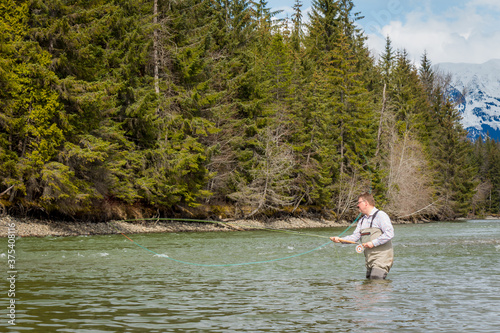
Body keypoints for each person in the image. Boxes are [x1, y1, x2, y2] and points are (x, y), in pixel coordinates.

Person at [330, 192, 394, 280]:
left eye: (359, 202)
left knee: (375, 280)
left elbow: (390, 233)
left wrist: (373, 243)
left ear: (366, 203)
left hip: (382, 258)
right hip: (369, 259)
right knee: (368, 285)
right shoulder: (362, 221)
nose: (357, 205)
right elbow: (354, 237)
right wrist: (340, 239)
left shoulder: (381, 215)